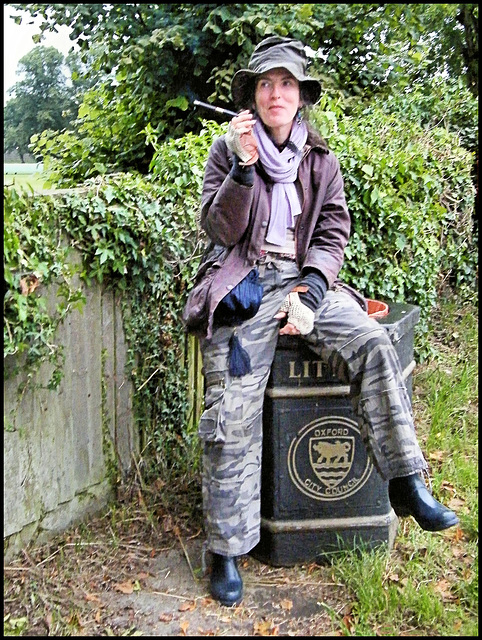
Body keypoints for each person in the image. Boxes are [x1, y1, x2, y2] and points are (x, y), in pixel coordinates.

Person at [182, 36, 459, 607]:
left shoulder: (320, 159)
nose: (274, 93)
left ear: (301, 94)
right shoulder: (228, 149)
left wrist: (310, 292)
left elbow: (332, 233)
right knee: (231, 404)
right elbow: (219, 232)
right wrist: (241, 170)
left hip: (305, 283)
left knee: (373, 343)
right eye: (265, 84)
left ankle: (407, 483)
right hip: (246, 284)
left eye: (285, 84)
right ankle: (228, 549)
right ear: (254, 95)